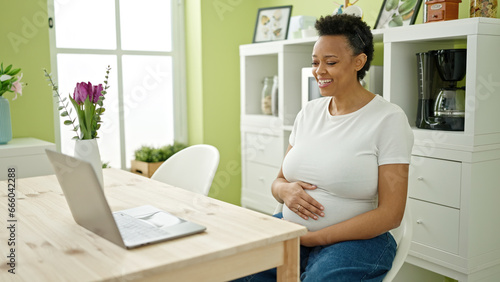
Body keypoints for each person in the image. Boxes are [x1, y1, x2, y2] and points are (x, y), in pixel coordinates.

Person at [236, 14, 414, 282]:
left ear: (359, 61)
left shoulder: (388, 119)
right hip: (292, 234)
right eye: (315, 62)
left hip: (357, 244)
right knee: (231, 268)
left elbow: (391, 214)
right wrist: (284, 190)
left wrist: (315, 237)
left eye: (330, 62)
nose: (319, 71)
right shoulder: (308, 112)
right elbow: (279, 182)